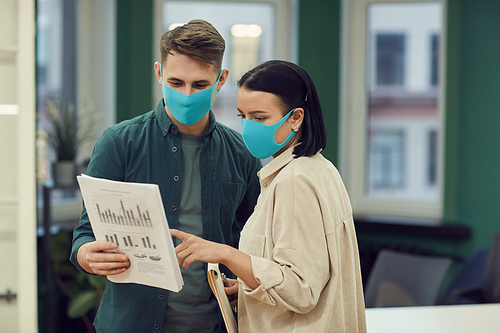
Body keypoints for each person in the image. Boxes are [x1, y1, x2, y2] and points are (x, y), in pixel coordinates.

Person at [70, 20, 262, 333]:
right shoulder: (119, 143)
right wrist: (86, 255)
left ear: (221, 79)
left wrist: (248, 283)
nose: (187, 94)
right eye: (176, 82)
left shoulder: (242, 153)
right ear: (159, 73)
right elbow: (85, 233)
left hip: (214, 324)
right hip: (132, 324)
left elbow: (257, 243)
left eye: (200, 85)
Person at [171, 60, 367, 332]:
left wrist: (226, 254)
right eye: (243, 116)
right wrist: (249, 289)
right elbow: (309, 274)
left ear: (296, 117)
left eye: (260, 118)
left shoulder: (296, 180)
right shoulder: (319, 168)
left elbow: (301, 289)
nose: (248, 127)